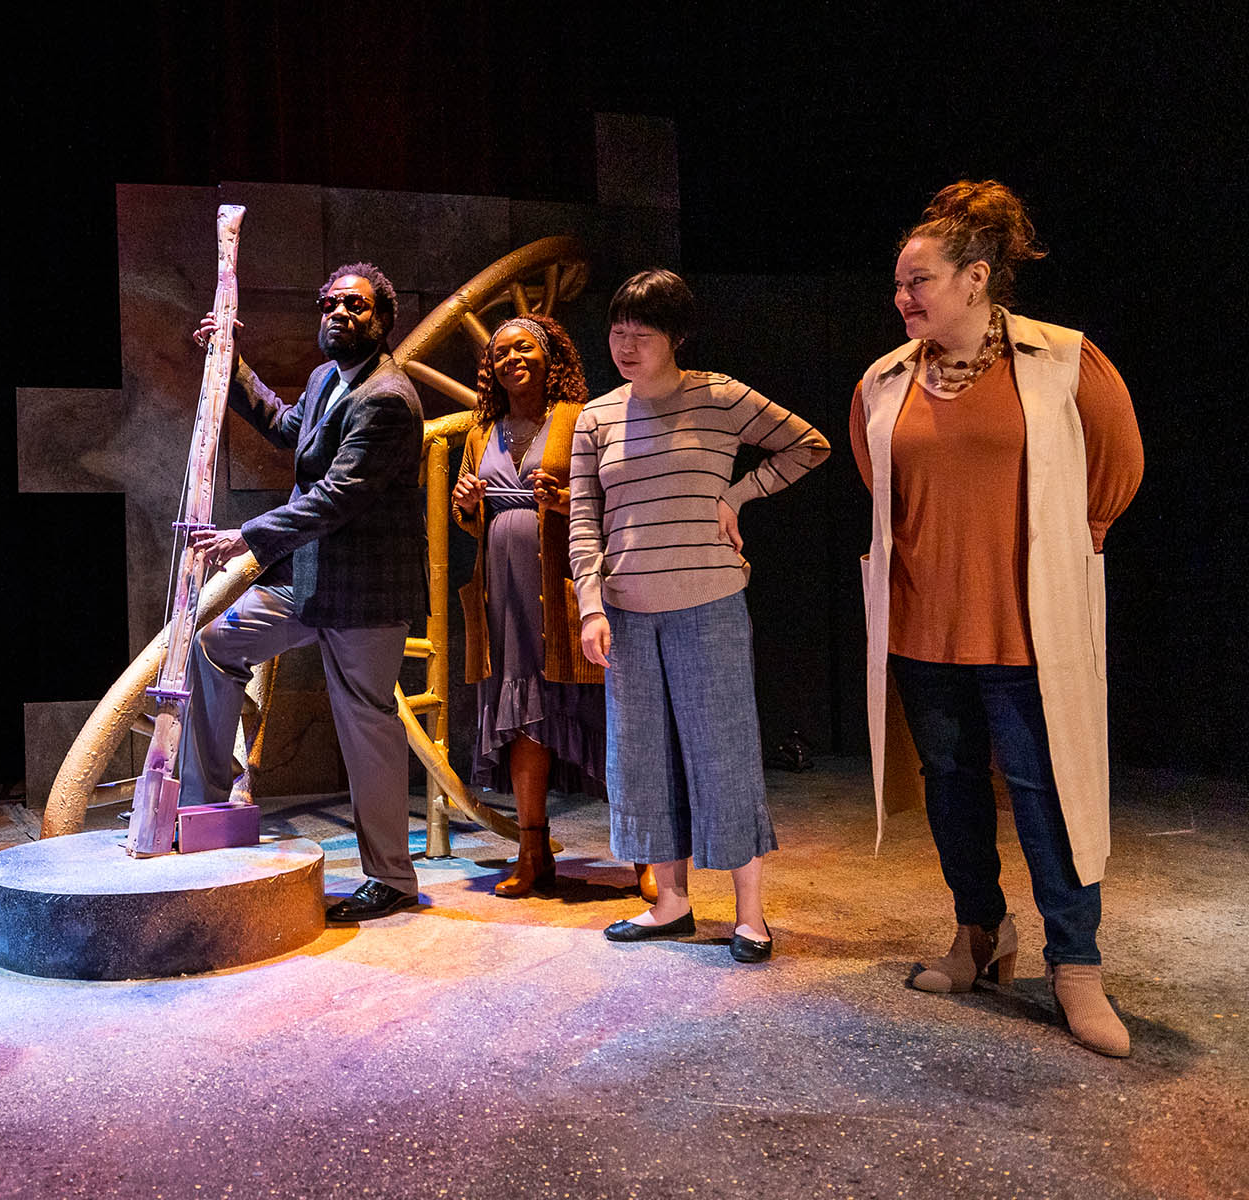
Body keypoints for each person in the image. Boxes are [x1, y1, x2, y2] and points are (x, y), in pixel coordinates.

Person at [853, 180, 1143, 1056]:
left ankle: (1077, 963)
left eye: (920, 281)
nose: (903, 298)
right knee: (950, 790)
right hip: (922, 625)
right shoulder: (885, 377)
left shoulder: (1061, 359)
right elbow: (881, 483)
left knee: (1044, 796)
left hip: (1025, 625)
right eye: (899, 284)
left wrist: (1067, 543)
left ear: (975, 278)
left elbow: (1118, 466)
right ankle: (980, 934)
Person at [571, 269, 829, 962]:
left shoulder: (720, 397)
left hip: (709, 604)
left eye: (642, 335)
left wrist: (739, 494)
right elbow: (584, 521)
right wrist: (590, 606)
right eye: (617, 333)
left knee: (725, 755)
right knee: (642, 760)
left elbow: (810, 444)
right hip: (626, 612)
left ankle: (750, 915)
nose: (626, 347)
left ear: (676, 337)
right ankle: (672, 903)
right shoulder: (595, 417)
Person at [183, 263, 426, 922]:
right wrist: (231, 364)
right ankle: (201, 812)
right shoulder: (327, 379)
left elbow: (338, 496)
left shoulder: (387, 397)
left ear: (383, 322)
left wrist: (249, 536)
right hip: (313, 582)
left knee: (364, 726)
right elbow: (292, 429)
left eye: (356, 305)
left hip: (367, 591)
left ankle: (392, 880)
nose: (340, 313)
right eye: (330, 302)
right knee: (214, 645)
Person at [450, 314, 605, 898]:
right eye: (500, 353)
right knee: (521, 716)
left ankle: (648, 852)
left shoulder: (578, 420)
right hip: (505, 595)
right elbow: (474, 518)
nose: (511, 359)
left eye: (524, 349)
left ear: (551, 358)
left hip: (564, 587)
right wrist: (467, 505)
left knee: (602, 710)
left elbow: (608, 500)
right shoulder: (481, 430)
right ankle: (533, 851)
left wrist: (562, 499)